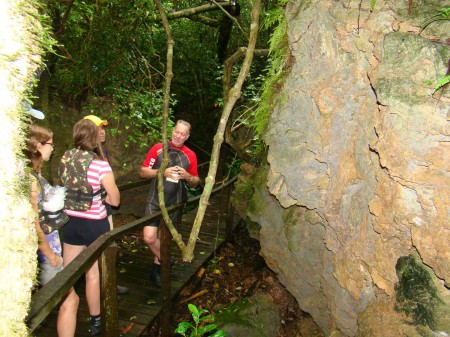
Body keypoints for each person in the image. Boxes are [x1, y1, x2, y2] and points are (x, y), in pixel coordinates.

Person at [59, 119, 120, 336]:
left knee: (68, 274)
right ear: (93, 138)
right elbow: (115, 199)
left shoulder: (65, 158)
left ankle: (67, 309)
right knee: (92, 274)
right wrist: (104, 197)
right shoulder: (100, 165)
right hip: (94, 224)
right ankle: (95, 320)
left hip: (70, 223)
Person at [25, 124, 79, 337]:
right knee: (69, 301)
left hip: (48, 249)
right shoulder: (30, 180)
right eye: (49, 144)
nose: (53, 148)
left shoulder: (33, 174)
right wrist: (49, 255)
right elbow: (33, 222)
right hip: (46, 253)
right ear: (38, 146)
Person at [139, 120, 200, 286]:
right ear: (172, 131)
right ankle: (167, 259)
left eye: (182, 134)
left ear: (187, 136)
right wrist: (162, 171)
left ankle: (157, 270)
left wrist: (188, 176)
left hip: (174, 202)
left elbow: (196, 181)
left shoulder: (190, 155)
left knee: (164, 238)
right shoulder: (158, 148)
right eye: (176, 132)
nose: (178, 136)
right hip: (155, 200)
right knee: (149, 237)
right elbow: (143, 172)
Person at [83, 114, 129, 295]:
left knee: (108, 245)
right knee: (100, 249)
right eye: (99, 128)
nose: (103, 132)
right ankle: (103, 287)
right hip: (94, 212)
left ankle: (108, 282)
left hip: (104, 208)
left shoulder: (102, 151)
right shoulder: (88, 156)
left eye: (103, 128)